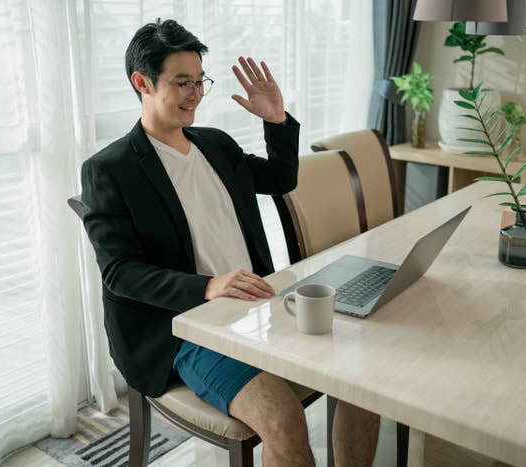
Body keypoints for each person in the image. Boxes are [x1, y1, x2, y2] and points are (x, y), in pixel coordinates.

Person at [81, 18, 379, 466]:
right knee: (283, 420)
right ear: (141, 82)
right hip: (184, 330)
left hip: (259, 306)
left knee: (365, 378)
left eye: (200, 81)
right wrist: (207, 286)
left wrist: (277, 119)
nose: (196, 94)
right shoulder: (110, 169)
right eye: (182, 83)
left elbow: (280, 179)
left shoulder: (214, 145)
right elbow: (120, 273)